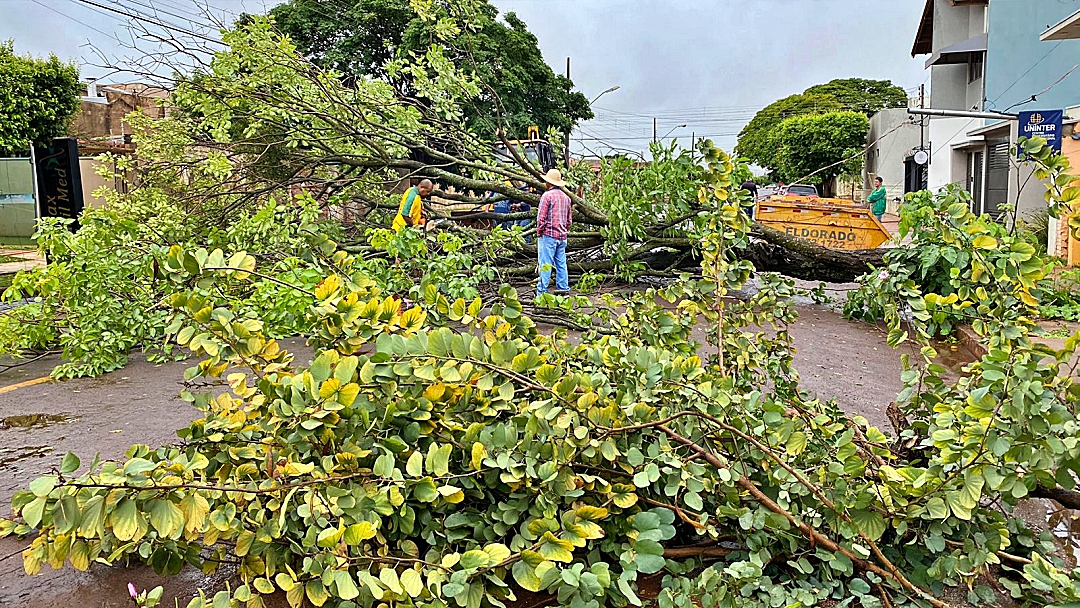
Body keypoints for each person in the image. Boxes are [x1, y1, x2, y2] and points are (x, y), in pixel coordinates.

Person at [536, 169, 572, 296]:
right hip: (562, 237)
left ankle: (542, 292)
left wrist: (539, 231)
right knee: (561, 263)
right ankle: (563, 289)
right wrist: (564, 230)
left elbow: (541, 218)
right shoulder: (567, 198)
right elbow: (569, 221)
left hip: (549, 236)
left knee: (545, 264)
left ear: (548, 182)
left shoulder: (547, 196)